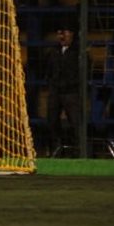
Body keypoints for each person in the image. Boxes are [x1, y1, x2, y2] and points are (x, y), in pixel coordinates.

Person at [42, 22, 82, 157]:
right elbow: (48, 69)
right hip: (56, 91)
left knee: (76, 122)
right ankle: (56, 150)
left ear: (72, 34)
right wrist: (51, 84)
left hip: (71, 91)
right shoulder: (53, 51)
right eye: (59, 33)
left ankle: (79, 152)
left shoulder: (78, 52)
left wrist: (74, 84)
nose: (61, 36)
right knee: (52, 121)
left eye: (64, 32)